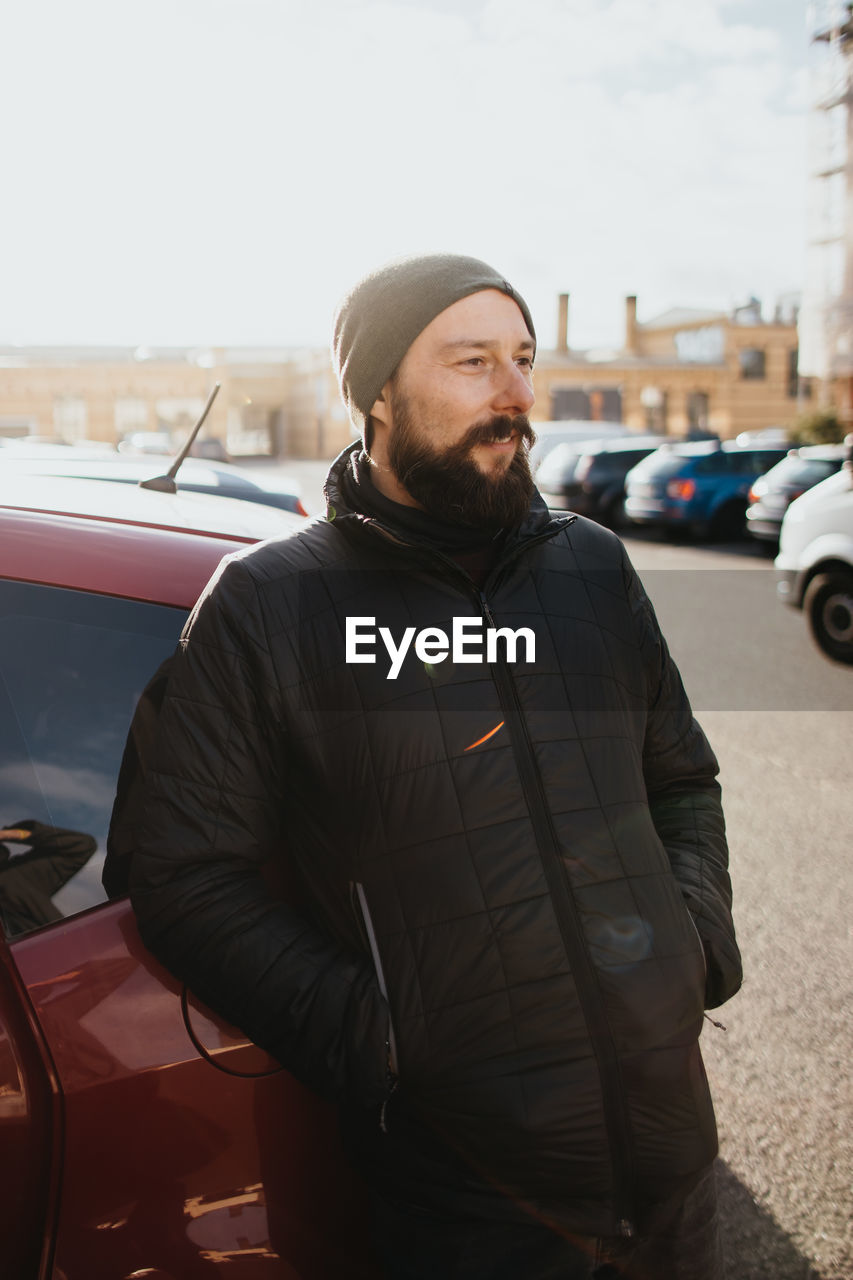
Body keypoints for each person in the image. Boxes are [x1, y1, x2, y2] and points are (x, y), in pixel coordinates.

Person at [124, 253, 742, 1279]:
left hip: (672, 1171)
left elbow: (679, 777)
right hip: (469, 1202)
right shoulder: (270, 608)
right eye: (472, 362)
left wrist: (695, 943)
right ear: (374, 392)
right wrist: (382, 1033)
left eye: (524, 361)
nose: (516, 396)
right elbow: (179, 870)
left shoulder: (591, 566)